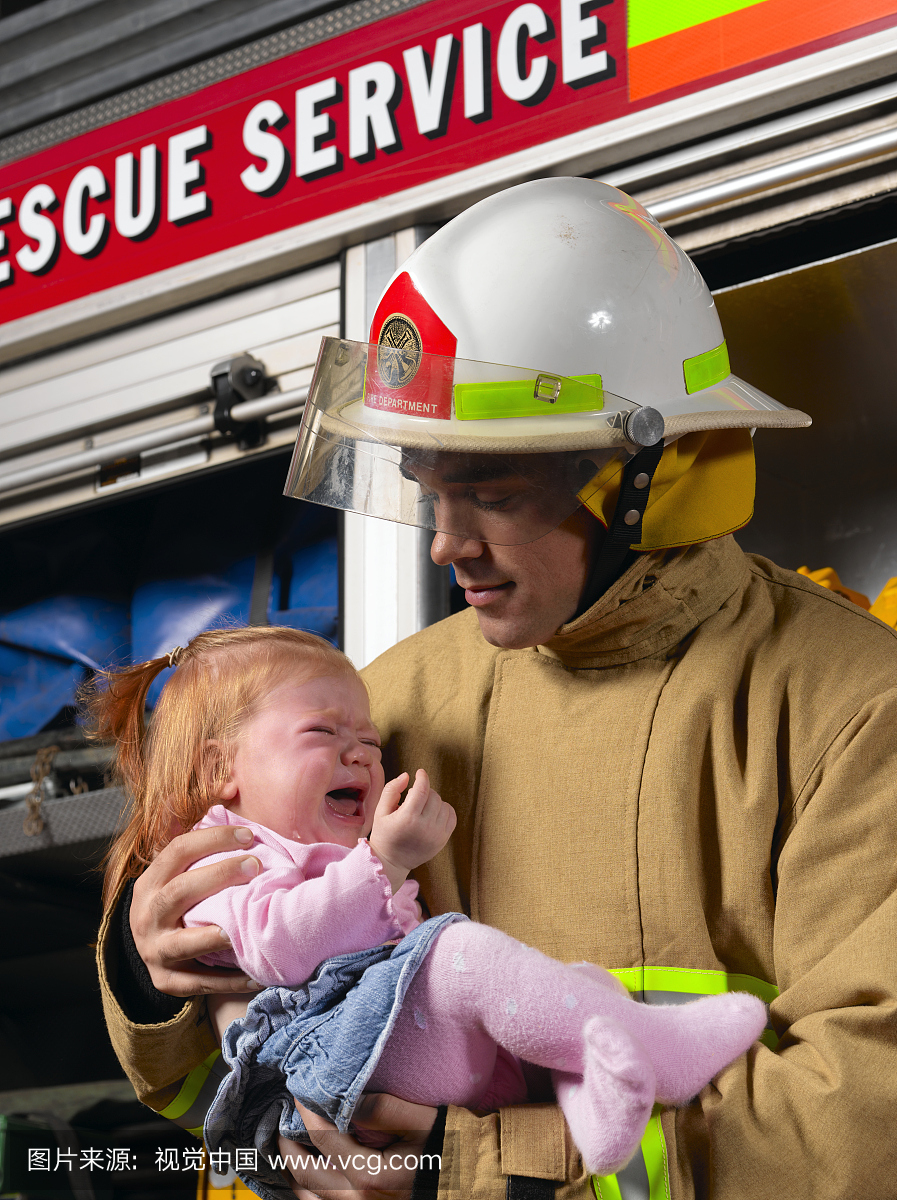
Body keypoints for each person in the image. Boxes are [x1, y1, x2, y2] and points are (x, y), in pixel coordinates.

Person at [96, 179, 897, 1200]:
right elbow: (228, 1087)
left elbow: (864, 1123)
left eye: (495, 493)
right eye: (431, 487)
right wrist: (151, 969)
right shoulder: (389, 703)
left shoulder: (849, 706)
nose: (446, 544)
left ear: (652, 479)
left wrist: (472, 1170)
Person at [90, 625, 765, 1196]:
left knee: (574, 987)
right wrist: (383, 863)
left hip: (380, 1055)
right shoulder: (225, 858)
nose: (360, 753)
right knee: (456, 952)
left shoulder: (317, 852)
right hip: (334, 1067)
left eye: (371, 743)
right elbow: (277, 948)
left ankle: (593, 1105)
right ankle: (667, 1052)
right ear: (218, 770)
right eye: (322, 732)